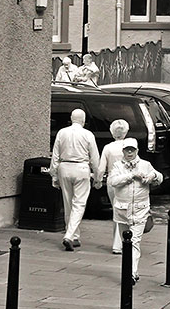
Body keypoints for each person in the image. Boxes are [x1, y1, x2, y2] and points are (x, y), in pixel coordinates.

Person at [109, 137, 163, 283]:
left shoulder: (145, 165)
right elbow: (113, 182)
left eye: (132, 150)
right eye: (127, 150)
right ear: (123, 151)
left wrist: (152, 176)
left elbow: (160, 177)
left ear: (137, 150)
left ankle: (130, 273)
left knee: (134, 242)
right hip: (122, 211)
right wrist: (131, 176)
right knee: (125, 243)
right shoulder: (117, 166)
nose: (130, 152)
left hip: (140, 210)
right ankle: (132, 271)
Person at [50, 108, 101, 251]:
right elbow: (95, 158)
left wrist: (54, 174)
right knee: (79, 204)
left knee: (68, 204)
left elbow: (55, 156)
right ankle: (69, 235)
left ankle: (74, 236)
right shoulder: (88, 134)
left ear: (71, 119)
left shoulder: (62, 132)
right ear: (83, 120)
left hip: (64, 168)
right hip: (81, 168)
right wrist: (97, 177)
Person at [97, 119, 130, 254]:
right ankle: (121, 241)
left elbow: (100, 168)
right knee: (124, 211)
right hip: (126, 180)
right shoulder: (129, 146)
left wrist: (98, 181)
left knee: (116, 210)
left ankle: (119, 242)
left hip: (112, 180)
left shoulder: (108, 148)